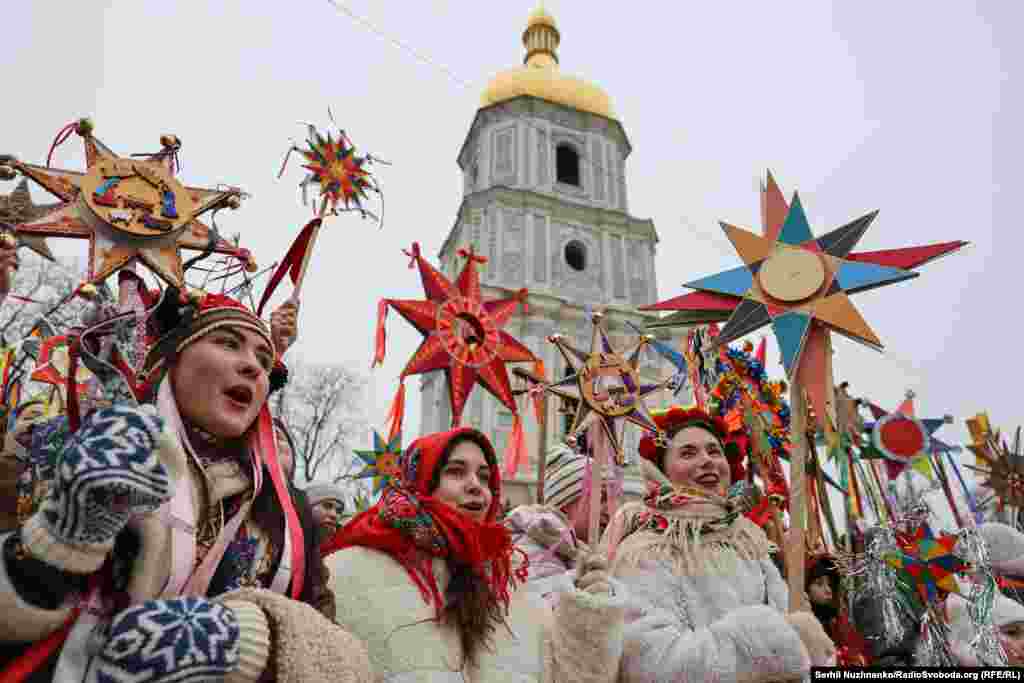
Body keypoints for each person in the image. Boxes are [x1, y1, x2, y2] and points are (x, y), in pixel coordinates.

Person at [0, 287, 371, 682]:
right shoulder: (63, 444)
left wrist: (248, 640)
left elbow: (341, 655)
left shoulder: (283, 510)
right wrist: (57, 545)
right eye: (228, 343)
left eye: (264, 360)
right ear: (170, 359)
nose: (253, 368)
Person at [322, 426, 628, 682]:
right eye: (456, 472)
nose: (476, 487)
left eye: (484, 477)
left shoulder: (512, 583)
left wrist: (590, 616)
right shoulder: (350, 572)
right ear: (421, 481)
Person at [603, 405, 836, 682]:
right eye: (688, 453)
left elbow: (798, 644)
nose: (707, 460)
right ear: (661, 470)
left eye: (714, 451)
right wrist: (772, 639)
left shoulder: (749, 541)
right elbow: (653, 665)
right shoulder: (646, 551)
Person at [504, 442, 611, 605]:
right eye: (601, 498)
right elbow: (551, 621)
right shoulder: (533, 551)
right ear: (566, 502)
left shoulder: (570, 551)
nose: (609, 511)